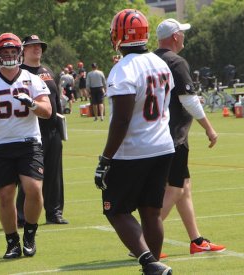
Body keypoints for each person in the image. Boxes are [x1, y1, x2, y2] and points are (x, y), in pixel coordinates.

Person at [95, 9, 174, 274]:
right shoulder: (160, 63)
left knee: (114, 209)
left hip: (132, 151)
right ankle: (153, 267)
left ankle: (149, 264)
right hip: (163, 146)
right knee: (150, 211)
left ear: (117, 35)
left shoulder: (122, 69)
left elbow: (121, 120)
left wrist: (105, 159)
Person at [0, 33, 52, 259]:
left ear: (19, 52)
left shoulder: (32, 79)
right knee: (5, 195)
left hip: (28, 142)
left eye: (12, 52)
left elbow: (47, 111)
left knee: (33, 189)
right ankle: (12, 241)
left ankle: (30, 234)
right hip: (0, 144)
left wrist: (32, 103)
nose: (8, 56)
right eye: (4, 52)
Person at [154, 18, 225, 255]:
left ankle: (196, 240)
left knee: (184, 187)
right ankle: (145, 240)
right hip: (174, 136)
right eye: (181, 33)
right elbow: (188, 99)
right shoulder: (176, 61)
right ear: (175, 37)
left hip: (154, 135)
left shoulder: (150, 60)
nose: (184, 37)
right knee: (174, 189)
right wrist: (209, 127)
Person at [16, 34, 68, 226]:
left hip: (52, 131)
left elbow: (55, 99)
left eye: (39, 46)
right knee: (29, 175)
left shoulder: (46, 71)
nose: (37, 48)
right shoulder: (19, 73)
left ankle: (54, 213)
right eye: (32, 46)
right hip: (31, 130)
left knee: (54, 174)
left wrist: (61, 122)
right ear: (23, 50)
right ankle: (21, 216)